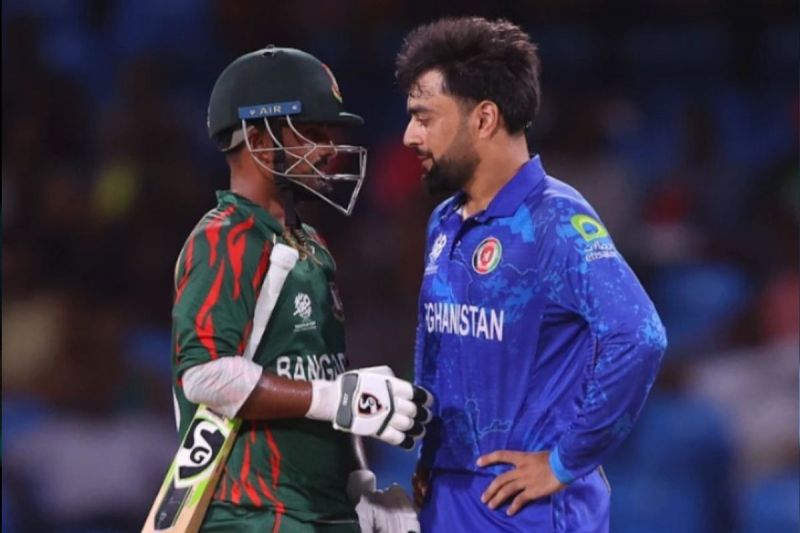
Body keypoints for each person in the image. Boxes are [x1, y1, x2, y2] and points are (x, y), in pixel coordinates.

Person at [395, 17, 668, 532]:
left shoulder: (556, 219)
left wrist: (566, 461)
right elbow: (438, 346)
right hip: (448, 496)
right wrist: (429, 456)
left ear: (484, 118)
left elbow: (640, 337)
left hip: (526, 510)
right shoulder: (444, 221)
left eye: (424, 118)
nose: (410, 136)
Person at [172, 46, 430, 532]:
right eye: (312, 132)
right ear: (257, 139)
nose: (330, 148)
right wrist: (334, 398)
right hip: (252, 514)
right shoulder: (224, 238)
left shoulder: (312, 245)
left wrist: (361, 489)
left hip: (321, 509)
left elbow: (328, 375)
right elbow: (205, 375)